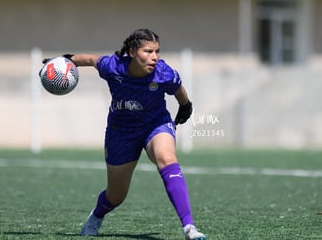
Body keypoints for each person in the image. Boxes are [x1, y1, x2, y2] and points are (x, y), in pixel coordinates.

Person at [43, 29, 206, 240]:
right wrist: (64, 61)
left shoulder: (163, 72)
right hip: (121, 132)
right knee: (116, 196)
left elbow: (178, 89)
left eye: (157, 51)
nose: (155, 57)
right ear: (132, 51)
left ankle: (189, 227)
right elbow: (92, 60)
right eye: (148, 51)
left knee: (166, 158)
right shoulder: (113, 66)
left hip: (155, 124)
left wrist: (186, 106)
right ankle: (98, 214)